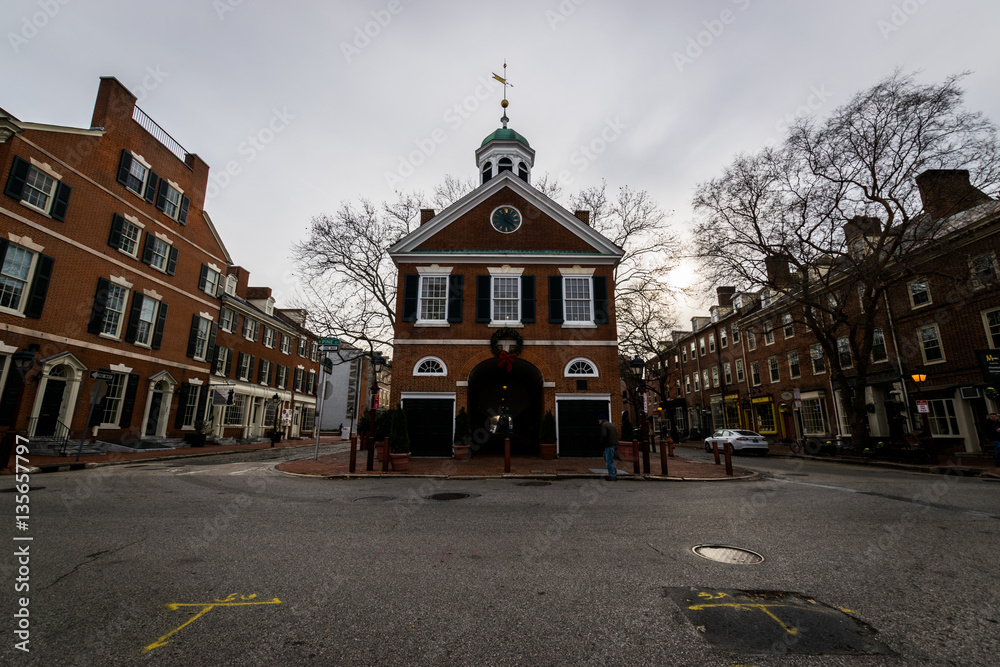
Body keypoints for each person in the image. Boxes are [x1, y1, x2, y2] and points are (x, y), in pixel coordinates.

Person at [598, 414, 619, 481]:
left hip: (609, 444)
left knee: (609, 460)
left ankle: (612, 475)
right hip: (614, 443)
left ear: (601, 420)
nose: (598, 421)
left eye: (599, 420)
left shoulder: (604, 425)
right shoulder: (611, 425)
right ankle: (613, 470)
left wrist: (601, 442)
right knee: (605, 455)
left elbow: (604, 435)